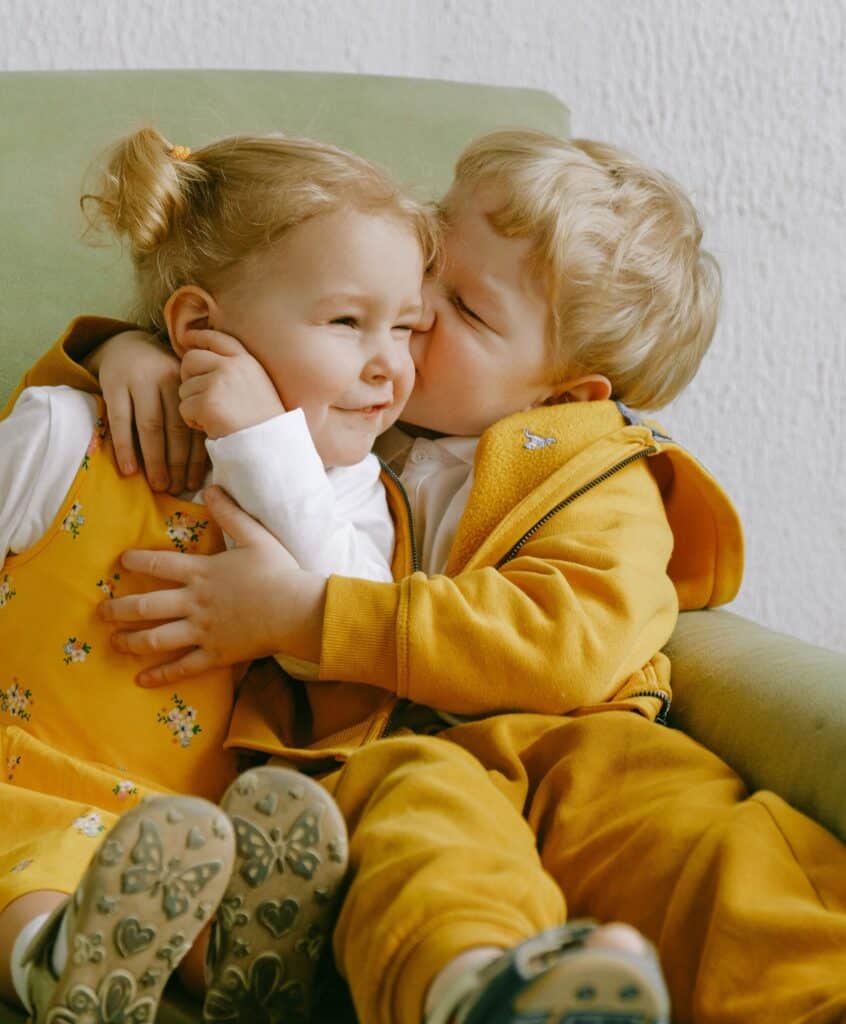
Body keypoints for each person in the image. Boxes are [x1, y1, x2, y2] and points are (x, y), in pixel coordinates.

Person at [14, 129, 846, 1024]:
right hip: (407, 763)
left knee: (713, 852)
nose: (417, 311)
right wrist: (132, 353)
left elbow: (562, 647)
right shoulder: (358, 424)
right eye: (432, 264)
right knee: (428, 857)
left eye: (467, 309)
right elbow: (249, 331)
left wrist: (308, 618)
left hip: (580, 753)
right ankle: (484, 993)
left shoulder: (600, 471)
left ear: (568, 394)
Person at [0, 125, 441, 1023]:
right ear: (200, 328)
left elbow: (350, 632)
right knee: (30, 861)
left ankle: (241, 967)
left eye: (408, 327)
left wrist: (261, 442)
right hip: (17, 774)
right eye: (348, 321)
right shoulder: (66, 432)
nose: (390, 365)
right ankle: (59, 967)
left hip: (184, 833)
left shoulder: (355, 499)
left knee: (208, 875)